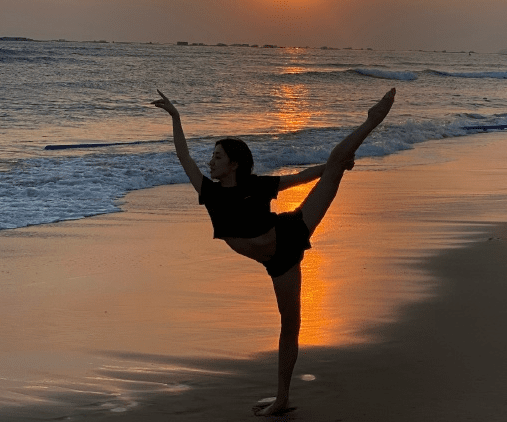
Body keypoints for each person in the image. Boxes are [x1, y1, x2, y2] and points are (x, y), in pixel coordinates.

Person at [152, 86, 396, 417]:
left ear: (234, 164)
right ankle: (281, 397)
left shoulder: (256, 185)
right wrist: (176, 117)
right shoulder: (208, 191)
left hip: (292, 231)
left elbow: (298, 178)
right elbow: (183, 155)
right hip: (278, 263)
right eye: (211, 156)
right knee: (289, 325)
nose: (210, 162)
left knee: (336, 162)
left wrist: (331, 169)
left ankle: (372, 121)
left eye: (218, 157)